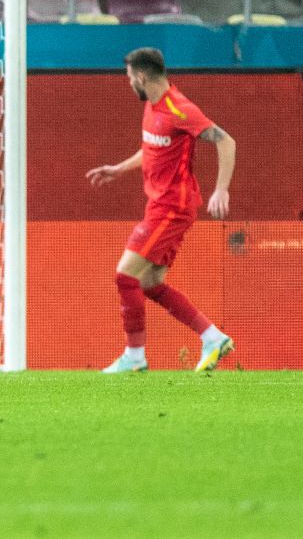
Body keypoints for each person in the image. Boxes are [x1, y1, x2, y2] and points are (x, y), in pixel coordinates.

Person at [86, 48, 236, 374]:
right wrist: (118, 169)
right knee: (149, 284)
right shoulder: (153, 107)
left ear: (141, 76)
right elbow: (152, 147)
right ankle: (212, 337)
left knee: (125, 276)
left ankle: (134, 357)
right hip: (160, 204)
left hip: (172, 207)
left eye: (129, 79)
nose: (129, 85)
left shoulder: (180, 109)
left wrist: (221, 188)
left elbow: (226, 141)